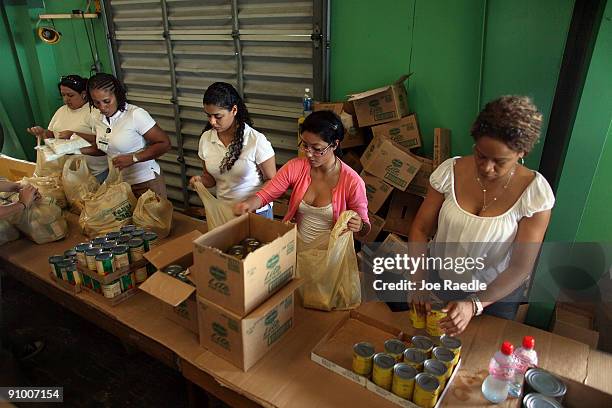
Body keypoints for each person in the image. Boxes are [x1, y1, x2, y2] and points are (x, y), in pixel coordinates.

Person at [409, 95, 555, 336]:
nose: (487, 167)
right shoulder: (450, 172)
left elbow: (520, 267)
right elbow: (421, 229)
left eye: (500, 161)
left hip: (494, 297)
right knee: (433, 351)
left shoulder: (535, 195)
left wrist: (474, 304)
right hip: (439, 280)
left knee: (479, 361)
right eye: (480, 155)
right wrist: (418, 281)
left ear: (522, 152)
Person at [233, 110, 371, 241]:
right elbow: (266, 194)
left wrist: (359, 225)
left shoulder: (352, 182)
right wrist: (248, 204)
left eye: (317, 149)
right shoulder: (296, 167)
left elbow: (365, 229)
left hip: (330, 256)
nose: (309, 153)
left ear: (334, 144)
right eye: (305, 145)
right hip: (296, 249)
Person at [189, 82, 276, 218]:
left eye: (218, 116)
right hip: (223, 213)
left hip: (256, 213)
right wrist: (200, 181)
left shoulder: (256, 140)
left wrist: (249, 203)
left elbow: (272, 181)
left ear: (234, 110)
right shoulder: (206, 139)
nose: (212, 121)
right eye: (208, 115)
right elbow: (211, 178)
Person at [84, 73, 171, 198]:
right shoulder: (97, 117)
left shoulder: (135, 115)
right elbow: (104, 147)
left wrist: (134, 158)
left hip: (146, 181)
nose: (102, 107)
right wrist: (74, 149)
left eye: (107, 101)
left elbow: (165, 144)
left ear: (118, 95)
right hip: (121, 183)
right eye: (96, 103)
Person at [26, 75, 109, 183]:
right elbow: (53, 134)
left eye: (70, 95)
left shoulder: (95, 112)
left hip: (93, 174)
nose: (66, 99)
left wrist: (73, 137)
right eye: (63, 95)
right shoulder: (61, 111)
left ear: (84, 94)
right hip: (69, 173)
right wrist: (42, 132)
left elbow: (104, 143)